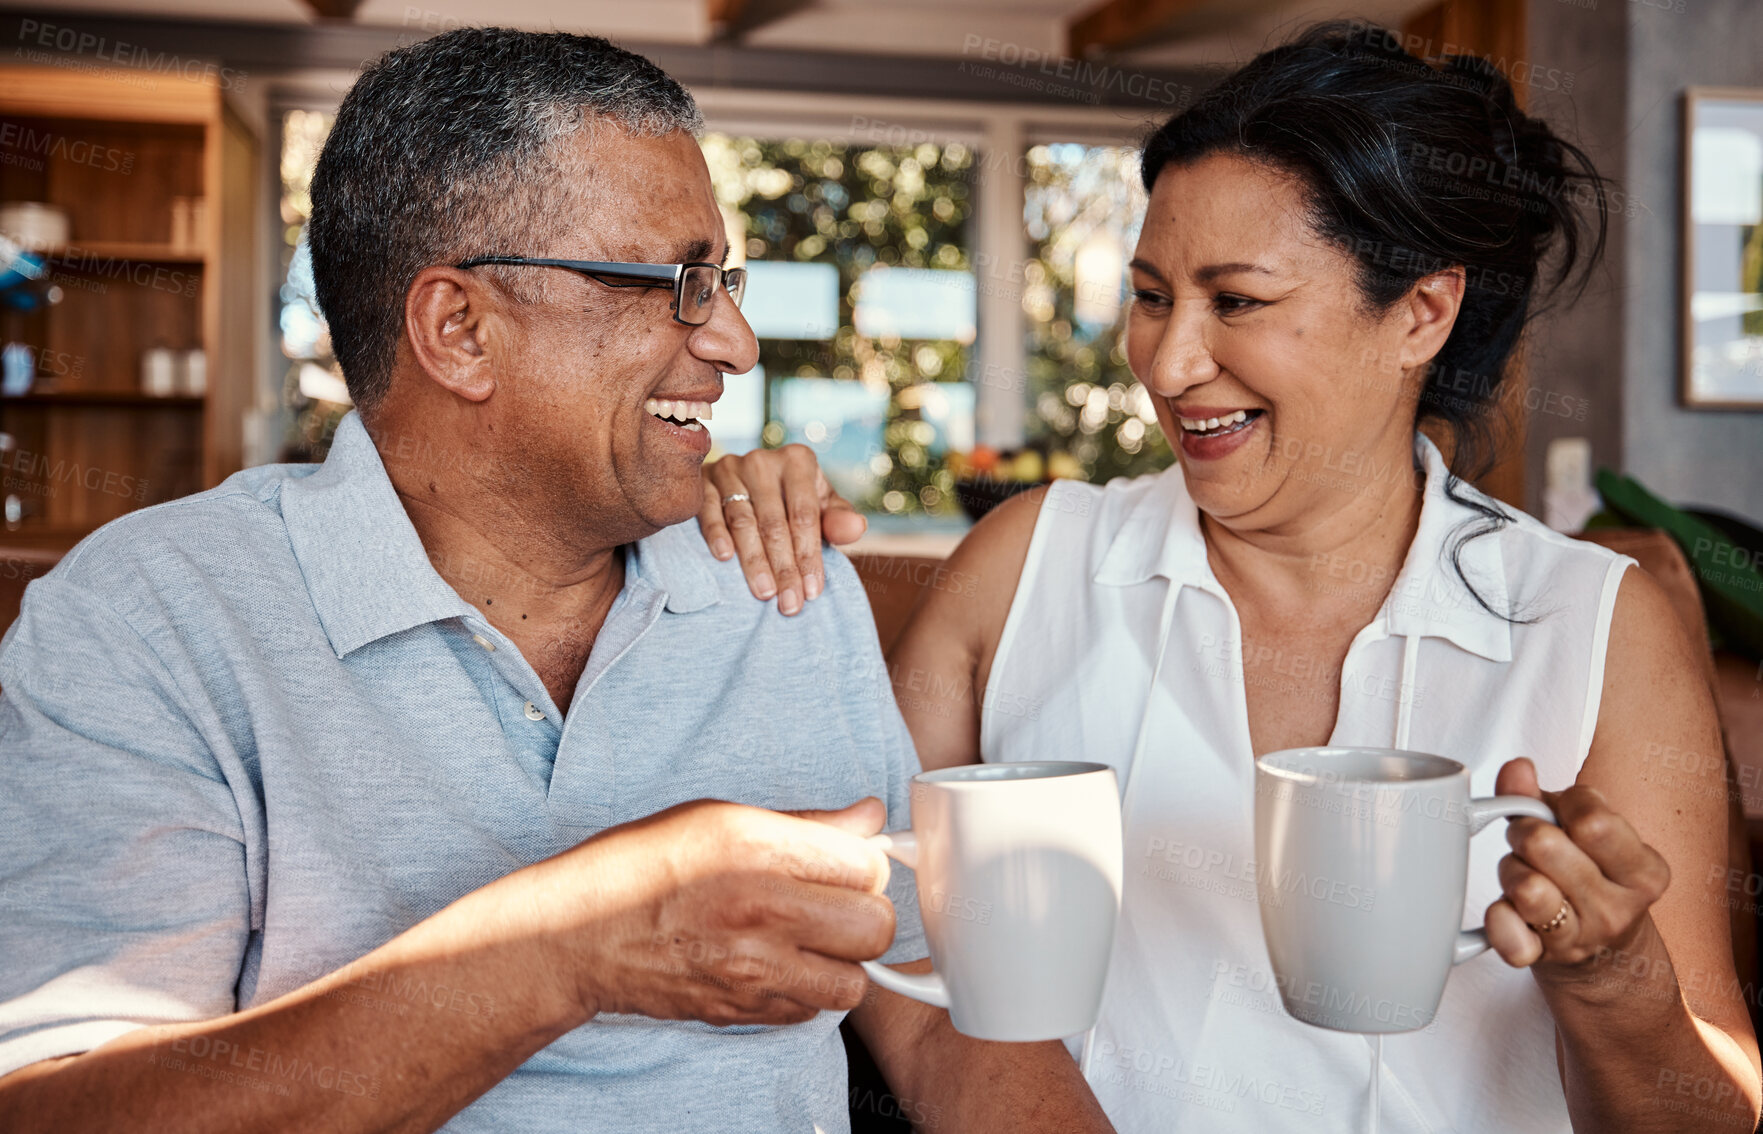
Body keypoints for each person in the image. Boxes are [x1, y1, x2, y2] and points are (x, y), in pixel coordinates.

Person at [0, 28, 1112, 1134]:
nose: (733, 341)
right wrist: (573, 946)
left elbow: (930, 1015)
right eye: (679, 281)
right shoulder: (149, 620)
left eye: (722, 279)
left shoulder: (773, 578)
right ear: (459, 329)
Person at [695, 22, 1762, 1134]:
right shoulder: (1022, 566)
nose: (1165, 363)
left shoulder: (1592, 626)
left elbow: (1711, 1106)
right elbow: (885, 934)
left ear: (1420, 313)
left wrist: (1609, 985)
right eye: (1151, 296)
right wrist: (730, 525)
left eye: (1235, 301)